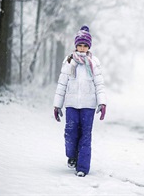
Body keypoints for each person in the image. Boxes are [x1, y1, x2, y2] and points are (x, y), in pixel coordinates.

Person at [53, 25, 107, 177]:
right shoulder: (69, 61)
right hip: (71, 105)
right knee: (70, 133)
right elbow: (62, 84)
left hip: (88, 106)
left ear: (89, 46)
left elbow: (99, 84)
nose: (82, 48)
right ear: (75, 45)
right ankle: (72, 156)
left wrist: (102, 103)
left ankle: (82, 167)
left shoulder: (93, 62)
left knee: (85, 135)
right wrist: (57, 105)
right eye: (79, 45)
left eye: (85, 45)